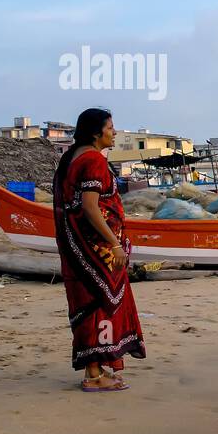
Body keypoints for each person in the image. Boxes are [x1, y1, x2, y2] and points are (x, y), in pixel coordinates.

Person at [51, 109, 145, 392]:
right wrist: (114, 243)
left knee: (92, 303)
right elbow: (90, 207)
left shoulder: (76, 157)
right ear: (96, 132)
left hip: (81, 247)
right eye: (111, 127)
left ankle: (98, 367)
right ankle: (92, 374)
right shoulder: (92, 160)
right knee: (98, 305)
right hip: (95, 250)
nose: (114, 132)